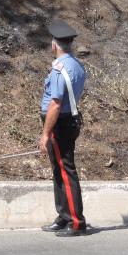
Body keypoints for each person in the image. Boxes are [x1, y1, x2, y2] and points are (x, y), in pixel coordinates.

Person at [38, 18, 87, 237]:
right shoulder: (76, 65)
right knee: (59, 170)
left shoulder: (60, 69)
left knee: (66, 171)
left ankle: (76, 221)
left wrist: (46, 133)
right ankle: (64, 216)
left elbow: (55, 104)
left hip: (60, 123)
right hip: (69, 120)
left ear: (54, 45)